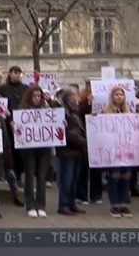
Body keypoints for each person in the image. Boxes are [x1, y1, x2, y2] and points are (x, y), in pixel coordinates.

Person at [18, 85, 52, 218]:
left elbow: (54, 124)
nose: (37, 98)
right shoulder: (23, 111)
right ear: (30, 97)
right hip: (29, 148)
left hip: (44, 148)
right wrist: (15, 126)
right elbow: (19, 127)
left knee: (42, 177)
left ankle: (41, 205)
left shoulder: (47, 110)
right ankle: (30, 205)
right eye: (34, 96)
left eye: (39, 96)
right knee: (30, 176)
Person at [103, 86, 133, 218]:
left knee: (126, 176)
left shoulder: (128, 112)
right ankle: (114, 204)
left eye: (121, 94)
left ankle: (123, 203)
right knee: (114, 176)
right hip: (113, 149)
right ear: (112, 97)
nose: (119, 97)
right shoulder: (106, 112)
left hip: (126, 149)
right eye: (117, 94)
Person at [56, 87, 88, 216]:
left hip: (76, 151)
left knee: (74, 179)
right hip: (67, 151)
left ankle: (71, 203)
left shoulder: (73, 112)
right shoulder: (64, 112)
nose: (78, 97)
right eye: (75, 95)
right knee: (67, 179)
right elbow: (71, 133)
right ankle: (63, 205)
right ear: (69, 98)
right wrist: (85, 143)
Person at [0, 66, 29, 185]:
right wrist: (8, 117)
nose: (17, 75)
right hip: (7, 121)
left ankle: (19, 175)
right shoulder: (3, 88)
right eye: (15, 73)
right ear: (10, 74)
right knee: (9, 148)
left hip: (22, 122)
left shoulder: (25, 88)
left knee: (21, 149)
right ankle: (9, 173)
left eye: (19, 73)